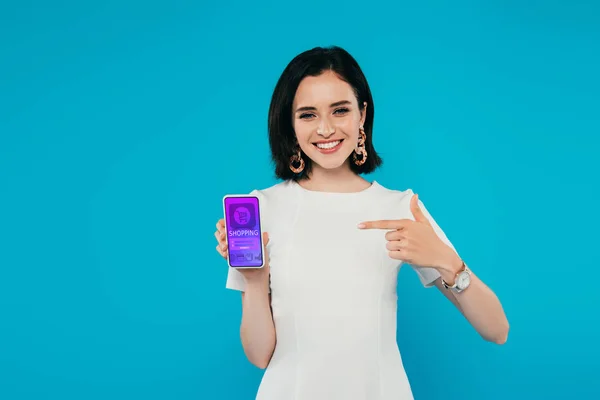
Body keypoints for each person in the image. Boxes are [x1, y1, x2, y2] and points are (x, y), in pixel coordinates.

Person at [213, 46, 509, 400]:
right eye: (307, 115)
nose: (326, 129)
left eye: (340, 110)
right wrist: (255, 280)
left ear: (362, 114)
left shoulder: (401, 207)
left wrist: (446, 261)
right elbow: (259, 355)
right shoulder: (261, 208)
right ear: (290, 124)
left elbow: (497, 329)